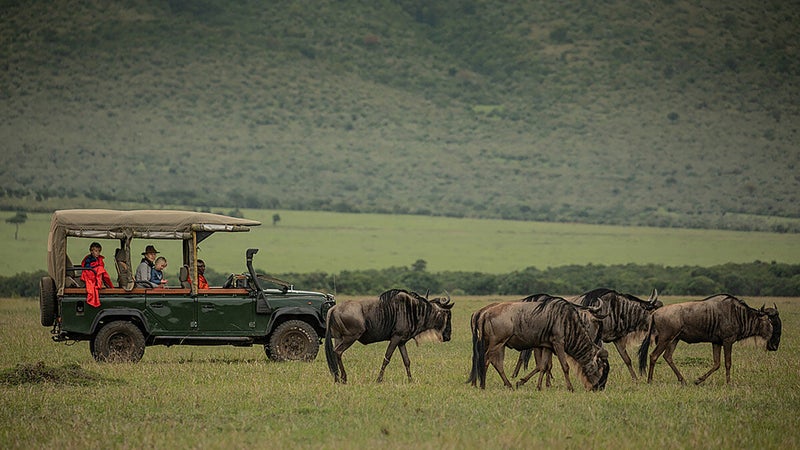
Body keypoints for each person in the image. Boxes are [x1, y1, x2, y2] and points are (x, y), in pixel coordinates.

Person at [80, 242, 113, 307]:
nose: (97, 253)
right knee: (100, 269)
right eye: (95, 251)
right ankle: (100, 284)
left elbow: (101, 265)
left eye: (98, 251)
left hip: (96, 273)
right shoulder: (89, 258)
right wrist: (96, 268)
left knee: (101, 270)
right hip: (89, 273)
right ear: (91, 251)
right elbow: (87, 268)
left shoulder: (98, 259)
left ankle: (104, 283)